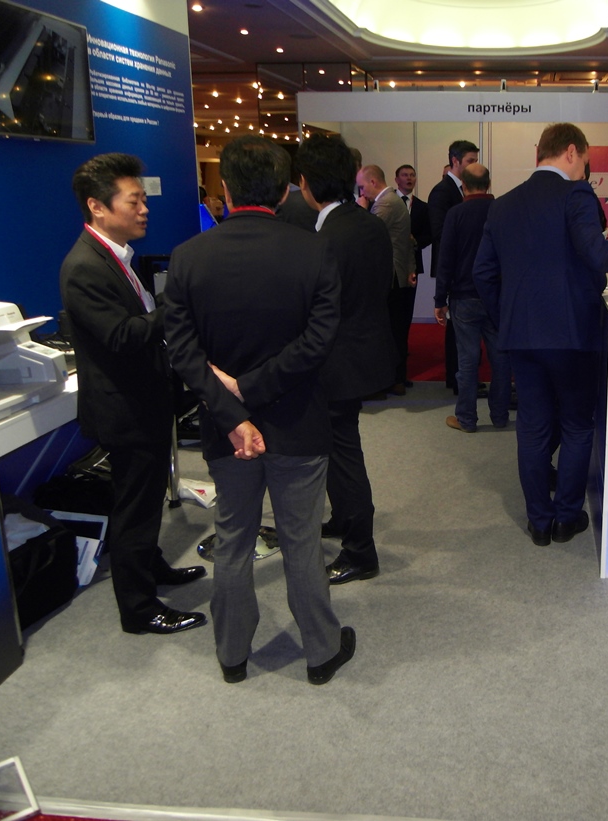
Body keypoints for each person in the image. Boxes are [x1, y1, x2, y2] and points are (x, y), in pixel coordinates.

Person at [163, 135, 354, 684]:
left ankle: (231, 655)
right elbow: (318, 342)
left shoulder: (188, 256)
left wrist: (233, 401)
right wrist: (254, 387)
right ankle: (321, 652)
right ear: (284, 189)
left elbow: (182, 351)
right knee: (301, 542)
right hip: (298, 421)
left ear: (226, 188)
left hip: (226, 428)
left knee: (233, 540)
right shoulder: (314, 250)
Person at [473, 123, 608, 547]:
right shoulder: (577, 194)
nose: (584, 171)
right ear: (571, 152)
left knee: (533, 428)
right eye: (585, 162)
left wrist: (509, 318)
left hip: (522, 336)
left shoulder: (503, 204)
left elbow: (483, 273)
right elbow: (595, 252)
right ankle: (566, 518)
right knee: (575, 425)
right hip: (573, 333)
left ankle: (539, 521)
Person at [60, 153, 207, 635]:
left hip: (144, 400)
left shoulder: (116, 257)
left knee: (144, 502)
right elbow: (123, 335)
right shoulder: (85, 266)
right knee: (133, 509)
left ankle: (151, 566)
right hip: (125, 409)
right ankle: (139, 609)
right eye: (134, 201)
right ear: (97, 206)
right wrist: (174, 303)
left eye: (144, 199)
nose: (144, 210)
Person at [297, 135, 396, 585]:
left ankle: (360, 551)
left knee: (342, 456)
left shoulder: (325, 238)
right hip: (364, 352)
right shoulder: (368, 223)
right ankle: (342, 519)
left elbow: (318, 309)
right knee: (343, 447)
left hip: (335, 361)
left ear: (306, 182)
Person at [434, 163, 510, 433]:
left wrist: (439, 300)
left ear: (463, 185)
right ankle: (500, 415)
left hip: (464, 297)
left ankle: (466, 419)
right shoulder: (503, 211)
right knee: (501, 359)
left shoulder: (456, 214)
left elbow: (446, 259)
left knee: (467, 360)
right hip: (497, 297)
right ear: (489, 184)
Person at [356, 163, 416, 396]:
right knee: (395, 330)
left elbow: (367, 233)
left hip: (391, 278)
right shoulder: (392, 200)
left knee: (390, 332)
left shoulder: (386, 203)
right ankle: (395, 378)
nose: (362, 193)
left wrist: (361, 210)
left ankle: (392, 380)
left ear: (373, 182)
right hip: (397, 275)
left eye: (362, 187)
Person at [428, 139, 479, 392]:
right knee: (455, 328)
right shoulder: (442, 191)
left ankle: (461, 379)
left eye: (476, 161)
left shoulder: (463, 190)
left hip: (464, 267)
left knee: (460, 328)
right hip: (454, 268)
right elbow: (439, 233)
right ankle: (457, 379)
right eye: (470, 161)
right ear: (455, 161)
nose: (475, 166)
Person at [395, 164, 432, 283]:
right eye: (405, 175)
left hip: (412, 260)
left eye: (412, 175)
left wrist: (415, 241)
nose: (409, 178)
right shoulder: (387, 201)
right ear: (397, 180)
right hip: (391, 259)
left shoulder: (422, 207)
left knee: (410, 294)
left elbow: (428, 235)